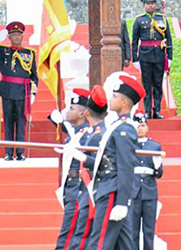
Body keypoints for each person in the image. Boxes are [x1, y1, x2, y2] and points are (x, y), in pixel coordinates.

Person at [84, 74, 146, 250]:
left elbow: (127, 166)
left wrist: (122, 202)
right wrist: (85, 159)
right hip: (110, 188)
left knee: (99, 242)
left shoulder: (125, 128)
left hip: (113, 191)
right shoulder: (118, 125)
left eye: (115, 96)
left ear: (125, 102)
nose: (110, 99)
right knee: (124, 244)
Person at [0, 21, 38, 161]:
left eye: (19, 34)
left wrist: (33, 92)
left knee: (20, 122)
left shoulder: (29, 54)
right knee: (8, 122)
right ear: (9, 37)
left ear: (22, 36)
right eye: (14, 34)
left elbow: (34, 75)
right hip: (7, 90)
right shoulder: (2, 51)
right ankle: (8, 152)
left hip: (22, 92)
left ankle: (20, 152)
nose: (17, 37)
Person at [66, 85, 108, 250]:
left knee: (80, 238)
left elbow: (105, 165)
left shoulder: (96, 136)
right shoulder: (90, 134)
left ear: (87, 113)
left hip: (89, 190)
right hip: (82, 190)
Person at [53, 88, 91, 250]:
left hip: (79, 188)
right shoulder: (74, 132)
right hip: (71, 187)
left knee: (70, 237)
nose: (67, 111)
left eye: (72, 108)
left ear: (83, 113)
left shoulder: (88, 134)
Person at [132, 0, 172, 119]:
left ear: (156, 5)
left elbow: (168, 39)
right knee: (147, 85)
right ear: (144, 6)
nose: (150, 5)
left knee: (158, 84)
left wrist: (169, 57)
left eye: (152, 3)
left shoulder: (162, 19)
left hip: (159, 55)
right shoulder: (139, 20)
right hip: (145, 56)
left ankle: (157, 110)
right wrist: (135, 59)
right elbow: (134, 41)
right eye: (148, 3)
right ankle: (147, 111)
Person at [131, 109, 163, 250]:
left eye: (143, 125)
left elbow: (159, 173)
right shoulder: (129, 145)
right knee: (133, 230)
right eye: (137, 125)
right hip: (133, 191)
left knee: (149, 230)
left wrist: (157, 165)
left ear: (147, 127)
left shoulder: (154, 146)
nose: (140, 128)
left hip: (149, 191)